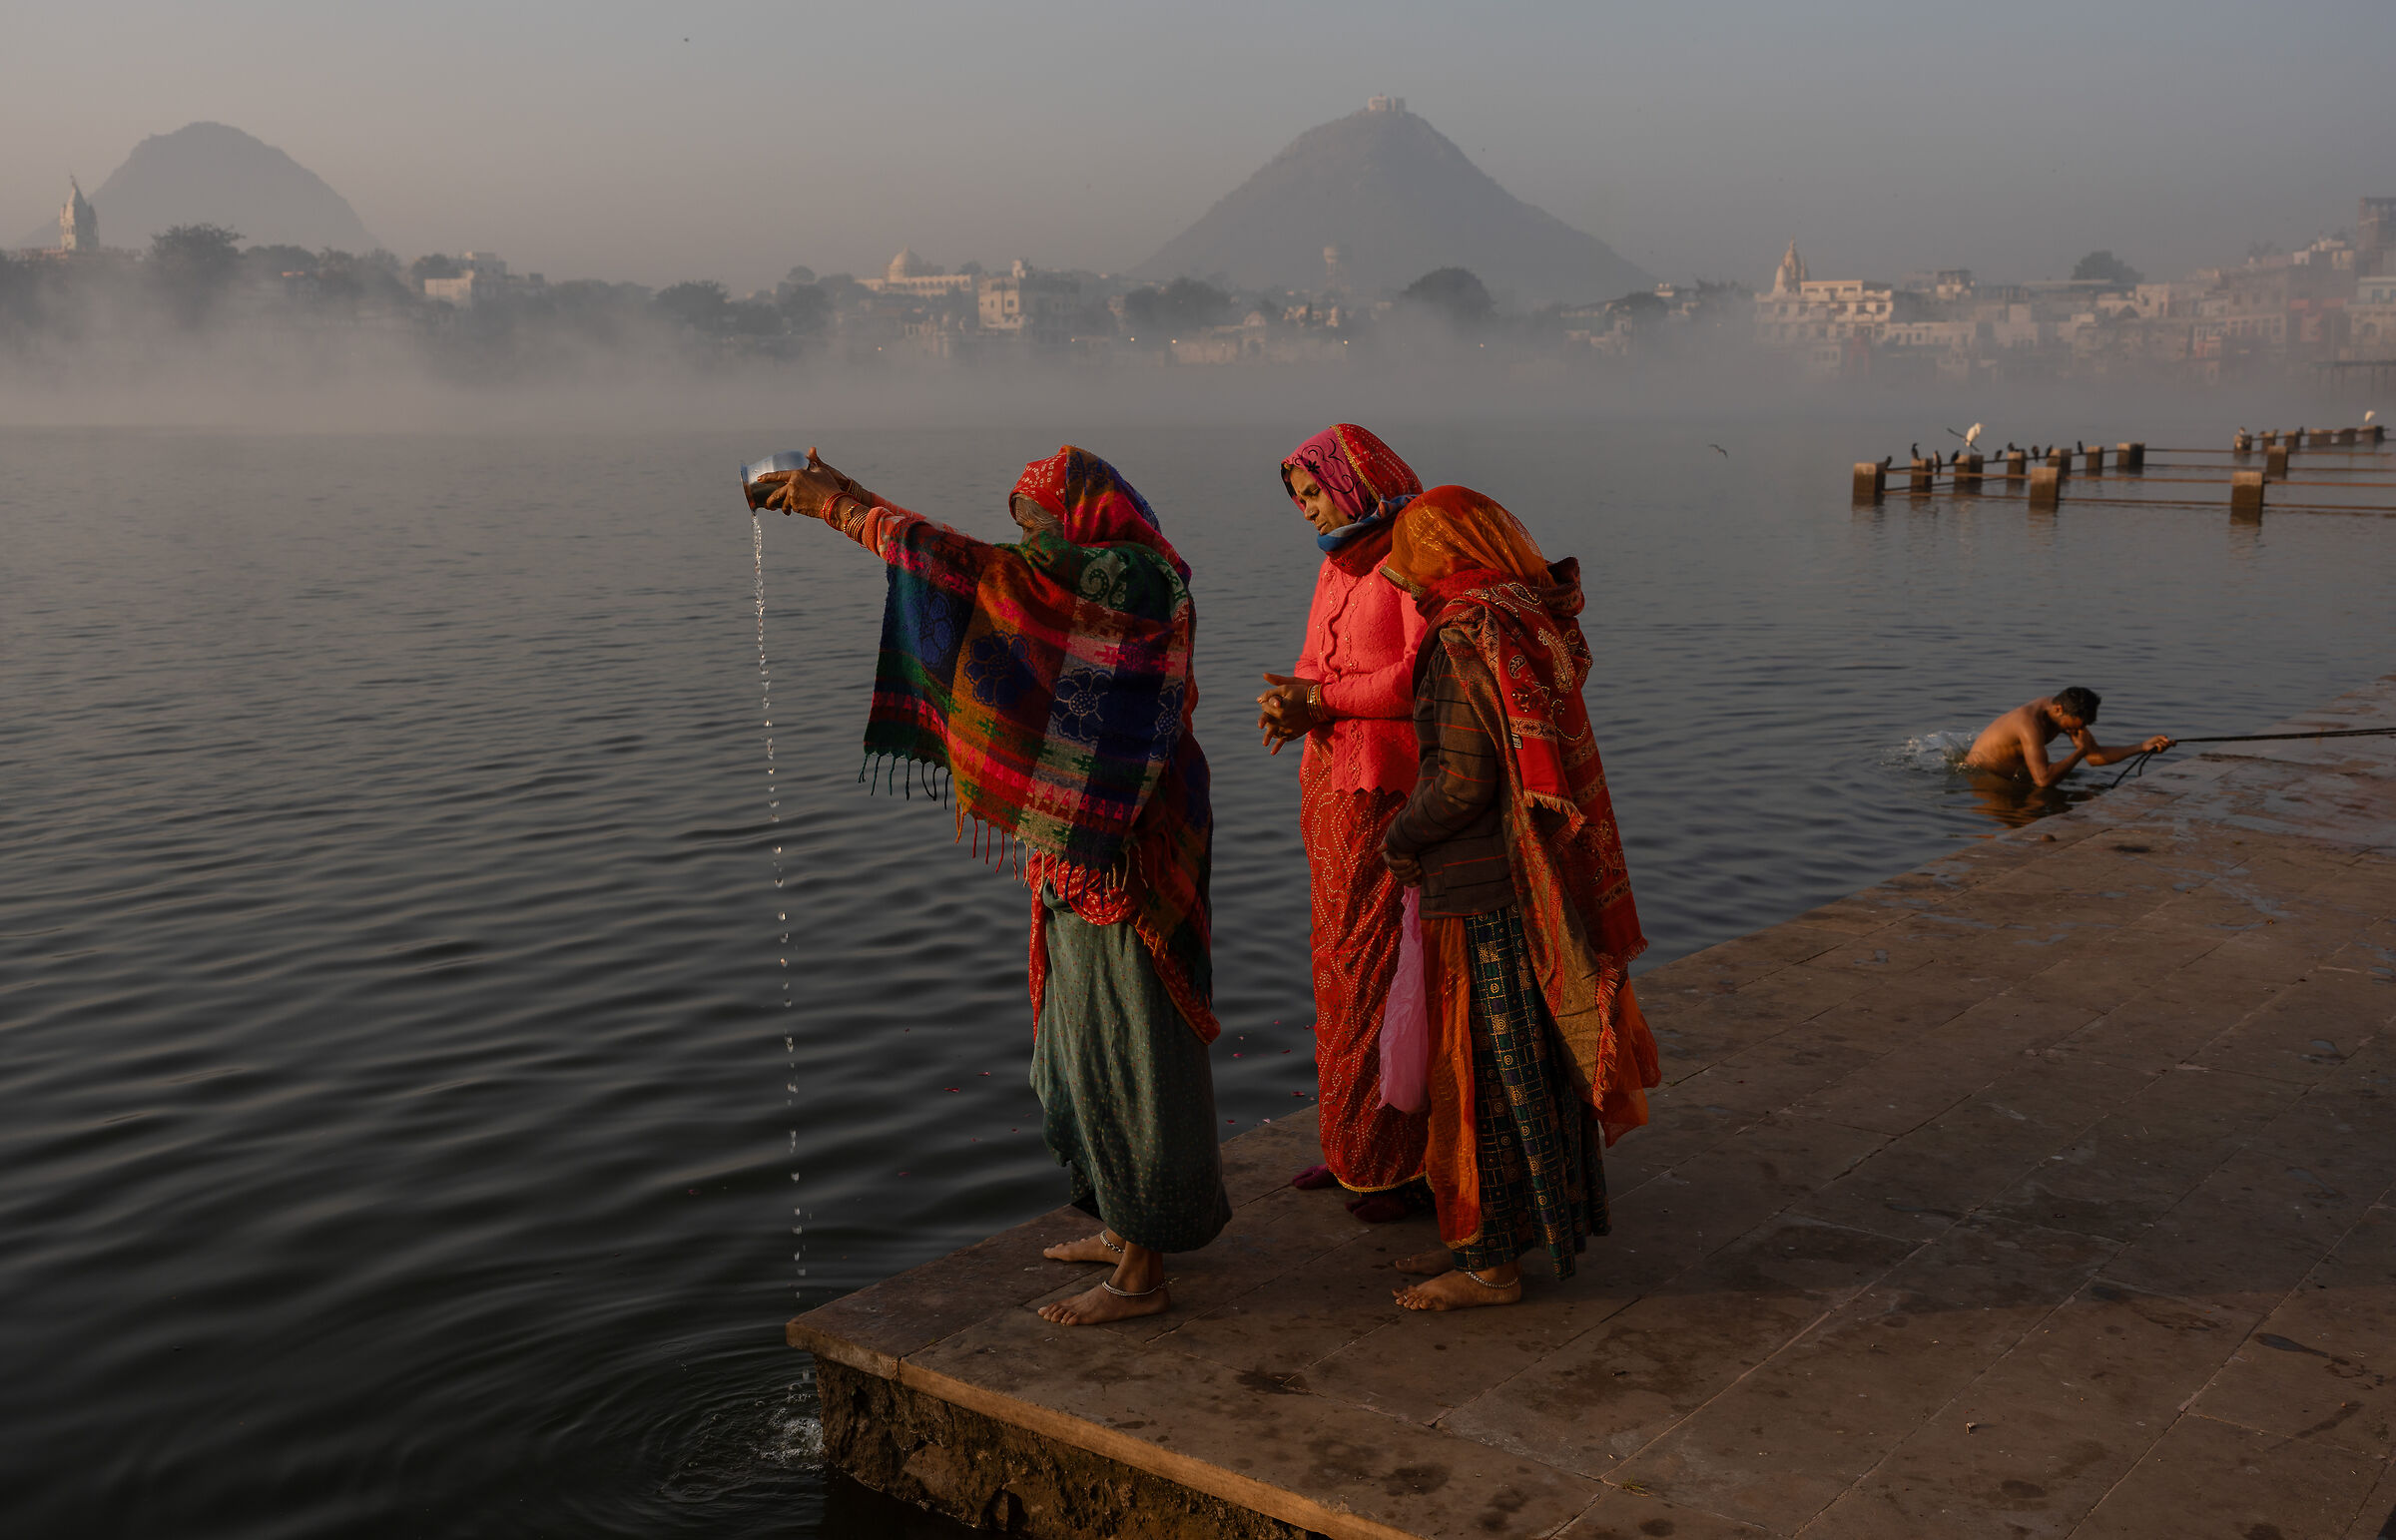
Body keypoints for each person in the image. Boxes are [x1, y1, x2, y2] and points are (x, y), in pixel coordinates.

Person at [755, 446, 1230, 1326]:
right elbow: (988, 573)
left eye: (1044, 521)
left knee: (1136, 1047)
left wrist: (842, 511)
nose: (1033, 539)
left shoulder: (1137, 580)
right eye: (1025, 523)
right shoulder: (1079, 578)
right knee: (1078, 1041)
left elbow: (984, 574)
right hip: (1072, 840)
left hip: (1133, 846)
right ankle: (1121, 1220)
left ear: (1089, 518)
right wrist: (853, 494)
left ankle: (1144, 1268)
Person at [1374, 486, 1660, 1311]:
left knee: (1483, 1074)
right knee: (1521, 1065)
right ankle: (1496, 1238)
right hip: (1516, 880)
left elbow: (1463, 779)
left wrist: (1400, 838)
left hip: (1477, 886)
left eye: (1411, 547)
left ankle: (1488, 1262)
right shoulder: (1511, 617)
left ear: (1446, 550)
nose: (1398, 566)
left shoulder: (1462, 638)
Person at [1255, 424, 1432, 1223]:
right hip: (1329, 792)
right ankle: (1351, 1147)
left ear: (1357, 479)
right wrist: (1289, 703)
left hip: (1387, 791)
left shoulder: (1416, 556)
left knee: (1383, 972)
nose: (1306, 509)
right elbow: (1312, 663)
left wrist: (1319, 703)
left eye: (1314, 492)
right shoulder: (1338, 561)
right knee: (1334, 967)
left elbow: (1420, 677)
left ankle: (1397, 1163)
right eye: (1298, 500)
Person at [1963, 687, 2171, 788]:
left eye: (2084, 727)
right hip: (1983, 778)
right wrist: (2080, 750)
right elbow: (2044, 780)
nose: (2078, 731)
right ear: (2059, 709)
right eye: (2077, 727)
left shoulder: (2065, 715)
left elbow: (2094, 756)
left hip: (2016, 776)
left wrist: (2143, 746)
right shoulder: (2028, 724)